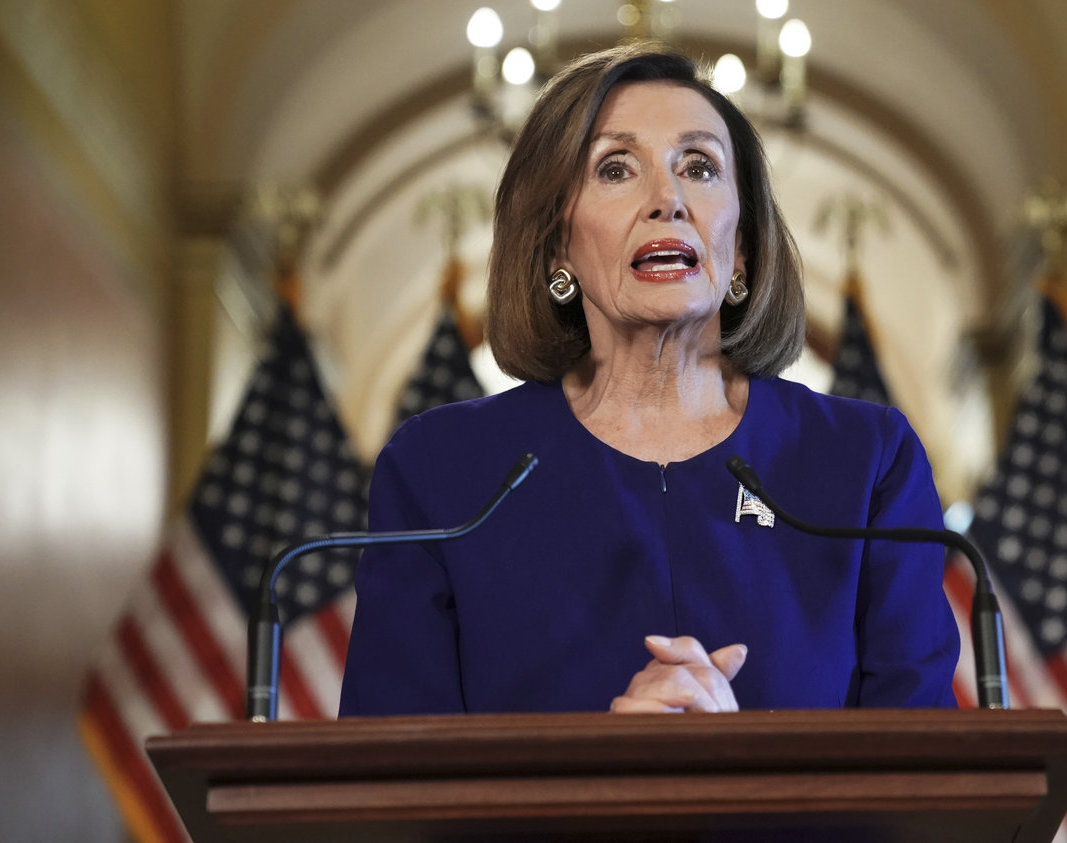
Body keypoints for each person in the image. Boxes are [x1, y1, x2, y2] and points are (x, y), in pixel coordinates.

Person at [339, 43, 958, 717]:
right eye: (615, 168)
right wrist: (605, 780)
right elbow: (392, 787)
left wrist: (742, 770)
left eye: (699, 166)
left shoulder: (867, 462)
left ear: (743, 245)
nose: (667, 199)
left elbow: (923, 781)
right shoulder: (441, 471)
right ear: (556, 245)